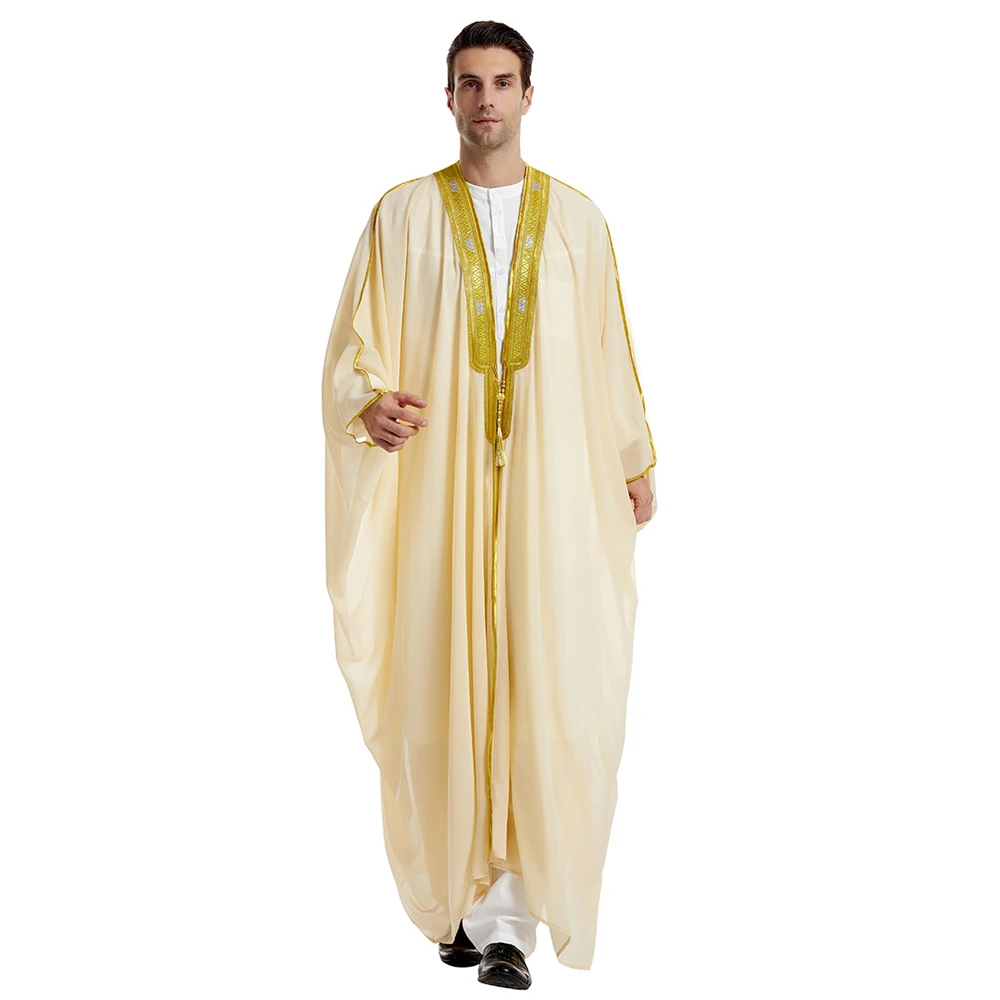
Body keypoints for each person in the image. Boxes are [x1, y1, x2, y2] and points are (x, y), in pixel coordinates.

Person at [321, 20, 657, 989]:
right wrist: (367, 404)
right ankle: (461, 900)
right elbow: (352, 348)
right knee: (439, 683)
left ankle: (507, 916)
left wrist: (631, 458)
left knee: (543, 685)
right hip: (436, 493)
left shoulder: (579, 223)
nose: (485, 101)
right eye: (469, 84)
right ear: (448, 97)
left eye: (502, 83)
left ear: (528, 96)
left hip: (550, 497)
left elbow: (609, 352)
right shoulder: (400, 217)